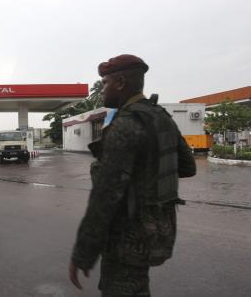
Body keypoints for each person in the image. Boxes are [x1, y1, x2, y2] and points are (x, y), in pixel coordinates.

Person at [69, 54, 196, 297]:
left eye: (105, 83)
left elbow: (104, 197)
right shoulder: (161, 117)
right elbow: (187, 166)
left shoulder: (125, 124)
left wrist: (82, 254)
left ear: (120, 82)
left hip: (127, 238)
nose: (102, 89)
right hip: (158, 229)